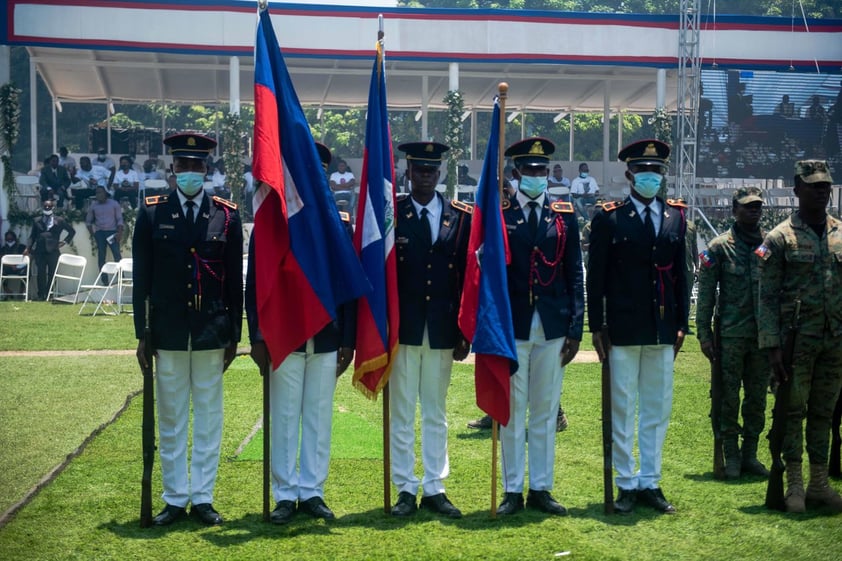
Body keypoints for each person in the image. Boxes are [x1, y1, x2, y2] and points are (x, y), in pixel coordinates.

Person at [133, 132, 243, 527]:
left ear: (207, 169)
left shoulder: (226, 215)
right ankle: (175, 497)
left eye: (198, 166)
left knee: (210, 416)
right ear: (172, 169)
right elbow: (142, 278)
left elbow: (234, 283)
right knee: (173, 417)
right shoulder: (151, 213)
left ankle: (203, 497)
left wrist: (235, 333)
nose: (191, 172)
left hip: (212, 331)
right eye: (184, 165)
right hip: (170, 331)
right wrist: (141, 335)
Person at [246, 142, 354, 525]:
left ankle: (312, 491)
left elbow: (348, 285)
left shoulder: (338, 225)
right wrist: (257, 336)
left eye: (317, 172)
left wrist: (349, 339)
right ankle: (284, 494)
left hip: (326, 335)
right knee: (285, 415)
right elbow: (255, 282)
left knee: (318, 416)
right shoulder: (272, 222)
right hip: (285, 334)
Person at [587, 139, 688, 515]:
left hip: (662, 326)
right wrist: (597, 325)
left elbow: (683, 274)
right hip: (623, 326)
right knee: (623, 405)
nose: (651, 177)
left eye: (657, 171)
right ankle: (626, 482)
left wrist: (681, 325)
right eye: (644, 172)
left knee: (657, 406)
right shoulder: (610, 217)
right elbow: (595, 276)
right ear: (629, 174)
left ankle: (651, 480)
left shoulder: (676, 216)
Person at [493, 137, 583, 517]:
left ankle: (541, 487)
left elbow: (574, 272)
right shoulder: (502, 213)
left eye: (541, 170)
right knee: (512, 411)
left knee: (544, 411)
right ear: (515, 174)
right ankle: (513, 489)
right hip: (513, 325)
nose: (536, 176)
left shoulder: (563, 214)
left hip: (552, 325)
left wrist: (576, 328)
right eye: (529, 170)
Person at [389, 141, 471, 519]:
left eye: (431, 170)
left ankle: (435, 486)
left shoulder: (460, 216)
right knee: (403, 410)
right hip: (404, 328)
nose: (425, 176)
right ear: (408, 172)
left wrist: (464, 330)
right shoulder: (394, 213)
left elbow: (468, 278)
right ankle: (406, 487)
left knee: (435, 411)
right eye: (419, 170)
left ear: (439, 174)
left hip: (441, 327)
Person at [756, 159, 842, 514]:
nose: (822, 191)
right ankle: (793, 484)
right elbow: (766, 298)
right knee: (792, 411)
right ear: (797, 190)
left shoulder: (840, 233)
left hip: (834, 340)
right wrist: (772, 347)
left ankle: (819, 483)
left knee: (824, 411)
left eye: (826, 185)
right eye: (814, 186)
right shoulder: (779, 238)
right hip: (796, 342)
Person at [696, 186, 770, 480]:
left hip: (762, 337)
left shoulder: (771, 244)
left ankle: (750, 453)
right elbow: (705, 296)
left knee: (757, 398)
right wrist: (703, 333)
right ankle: (731, 453)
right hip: (729, 336)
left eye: (758, 206)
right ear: (734, 210)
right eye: (748, 206)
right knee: (728, 396)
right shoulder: (719, 246)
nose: (754, 211)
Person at [23, 199, 76, 301]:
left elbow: (72, 231)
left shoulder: (59, 220)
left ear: (53, 208)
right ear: (43, 207)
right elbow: (32, 236)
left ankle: (49, 294)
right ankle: (41, 295)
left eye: (49, 206)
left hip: (53, 251)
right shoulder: (37, 220)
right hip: (40, 251)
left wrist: (64, 242)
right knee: (41, 273)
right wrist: (28, 248)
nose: (47, 208)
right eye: (45, 206)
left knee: (52, 273)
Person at [85, 186, 124, 282]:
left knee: (117, 255)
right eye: (97, 193)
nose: (98, 195)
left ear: (105, 193)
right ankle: (104, 280)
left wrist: (119, 233)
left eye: (100, 193)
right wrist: (93, 234)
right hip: (100, 233)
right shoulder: (93, 205)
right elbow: (88, 221)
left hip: (112, 232)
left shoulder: (114, 204)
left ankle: (121, 278)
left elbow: (119, 219)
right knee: (101, 256)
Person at [1, 231, 27, 299]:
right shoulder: (3, 249)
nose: (9, 240)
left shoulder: (22, 247)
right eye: (8, 239)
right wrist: (11, 266)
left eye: (11, 239)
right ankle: (8, 292)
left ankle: (21, 293)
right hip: (7, 269)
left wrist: (18, 266)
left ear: (15, 239)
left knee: (27, 270)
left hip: (20, 269)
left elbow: (29, 257)